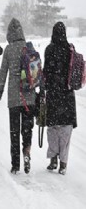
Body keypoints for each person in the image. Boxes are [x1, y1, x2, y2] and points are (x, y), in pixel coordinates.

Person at [0, 18, 35, 174]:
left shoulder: (8, 49)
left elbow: (3, 72)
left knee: (14, 131)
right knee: (27, 129)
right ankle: (27, 153)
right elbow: (37, 71)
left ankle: (15, 163)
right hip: (29, 96)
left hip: (13, 97)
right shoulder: (28, 48)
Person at [43, 22, 77, 175]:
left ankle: (53, 159)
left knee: (53, 128)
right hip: (67, 95)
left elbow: (46, 72)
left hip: (53, 94)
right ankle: (63, 162)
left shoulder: (49, 49)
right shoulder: (70, 49)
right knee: (66, 129)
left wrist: (45, 88)